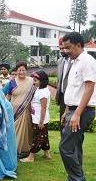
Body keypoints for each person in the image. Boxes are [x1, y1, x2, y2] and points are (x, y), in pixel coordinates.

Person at [59, 32, 96, 181]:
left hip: (82, 112)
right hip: (73, 110)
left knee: (65, 148)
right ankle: (76, 177)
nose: (66, 51)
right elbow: (74, 90)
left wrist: (76, 114)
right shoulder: (75, 62)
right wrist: (67, 111)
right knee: (74, 147)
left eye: (68, 48)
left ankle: (77, 179)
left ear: (79, 45)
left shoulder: (87, 61)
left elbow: (89, 89)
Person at [20, 70, 51, 162]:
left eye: (36, 80)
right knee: (44, 136)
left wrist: (41, 122)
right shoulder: (39, 89)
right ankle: (47, 153)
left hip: (40, 120)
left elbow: (43, 108)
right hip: (37, 118)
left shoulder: (43, 93)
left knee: (36, 138)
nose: (34, 82)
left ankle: (31, 157)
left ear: (42, 81)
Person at [6, 61, 35, 158]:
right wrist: (4, 107)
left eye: (23, 70)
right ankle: (13, 149)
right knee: (13, 129)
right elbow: (8, 96)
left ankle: (24, 150)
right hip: (14, 109)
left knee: (25, 128)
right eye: (19, 70)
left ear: (26, 71)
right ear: (16, 71)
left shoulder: (31, 81)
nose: (21, 72)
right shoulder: (12, 82)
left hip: (26, 109)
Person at [54, 36, 72, 154]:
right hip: (62, 96)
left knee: (71, 122)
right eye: (60, 48)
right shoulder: (60, 62)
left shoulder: (75, 60)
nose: (62, 51)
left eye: (64, 48)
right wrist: (57, 95)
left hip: (72, 96)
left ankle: (72, 147)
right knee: (62, 121)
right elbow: (59, 80)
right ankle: (63, 146)